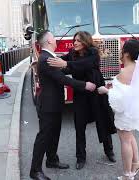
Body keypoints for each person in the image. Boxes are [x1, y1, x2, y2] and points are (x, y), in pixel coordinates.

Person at [30, 30, 97, 180]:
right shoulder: (46, 59)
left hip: (54, 104)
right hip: (48, 105)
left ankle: (52, 160)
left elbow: (64, 67)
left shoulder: (48, 57)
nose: (55, 40)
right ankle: (35, 170)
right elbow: (64, 79)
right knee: (44, 137)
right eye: (53, 38)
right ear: (48, 42)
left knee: (54, 134)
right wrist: (85, 85)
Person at [47, 31, 117, 170]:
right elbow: (63, 63)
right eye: (75, 40)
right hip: (81, 93)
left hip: (96, 92)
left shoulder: (93, 54)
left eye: (79, 40)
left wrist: (65, 63)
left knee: (102, 121)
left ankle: (109, 151)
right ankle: (81, 157)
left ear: (86, 41)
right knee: (79, 126)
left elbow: (83, 65)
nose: (75, 43)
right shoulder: (72, 53)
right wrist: (45, 63)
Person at [97, 39, 139, 180]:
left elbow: (119, 99)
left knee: (125, 140)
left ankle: (127, 174)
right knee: (130, 136)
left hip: (126, 111)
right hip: (137, 110)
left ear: (126, 54)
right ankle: (136, 163)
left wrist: (105, 91)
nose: (120, 52)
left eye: (122, 49)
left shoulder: (123, 72)